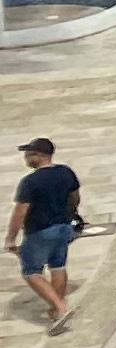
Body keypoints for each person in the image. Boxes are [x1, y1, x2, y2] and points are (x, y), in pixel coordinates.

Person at [10, 138, 81, 331]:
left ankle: (61, 307)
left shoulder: (30, 182)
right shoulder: (66, 172)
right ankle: (56, 310)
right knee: (57, 266)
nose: (26, 158)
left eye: (28, 154)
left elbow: (21, 211)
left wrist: (10, 237)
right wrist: (70, 213)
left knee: (31, 271)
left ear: (39, 156)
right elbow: (74, 197)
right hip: (64, 227)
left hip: (40, 231)